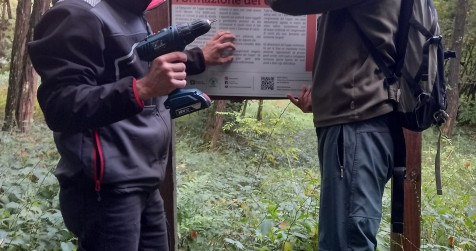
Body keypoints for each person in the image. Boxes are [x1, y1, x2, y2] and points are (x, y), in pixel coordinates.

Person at [27, 0, 235, 250]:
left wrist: (198, 58)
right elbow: (60, 105)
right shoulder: (76, 13)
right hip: (105, 190)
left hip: (144, 179)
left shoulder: (132, 11)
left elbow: (136, 60)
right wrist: (142, 89)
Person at [267, 0, 401, 250]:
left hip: (356, 127)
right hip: (356, 125)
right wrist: (326, 96)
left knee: (345, 242)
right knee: (340, 238)